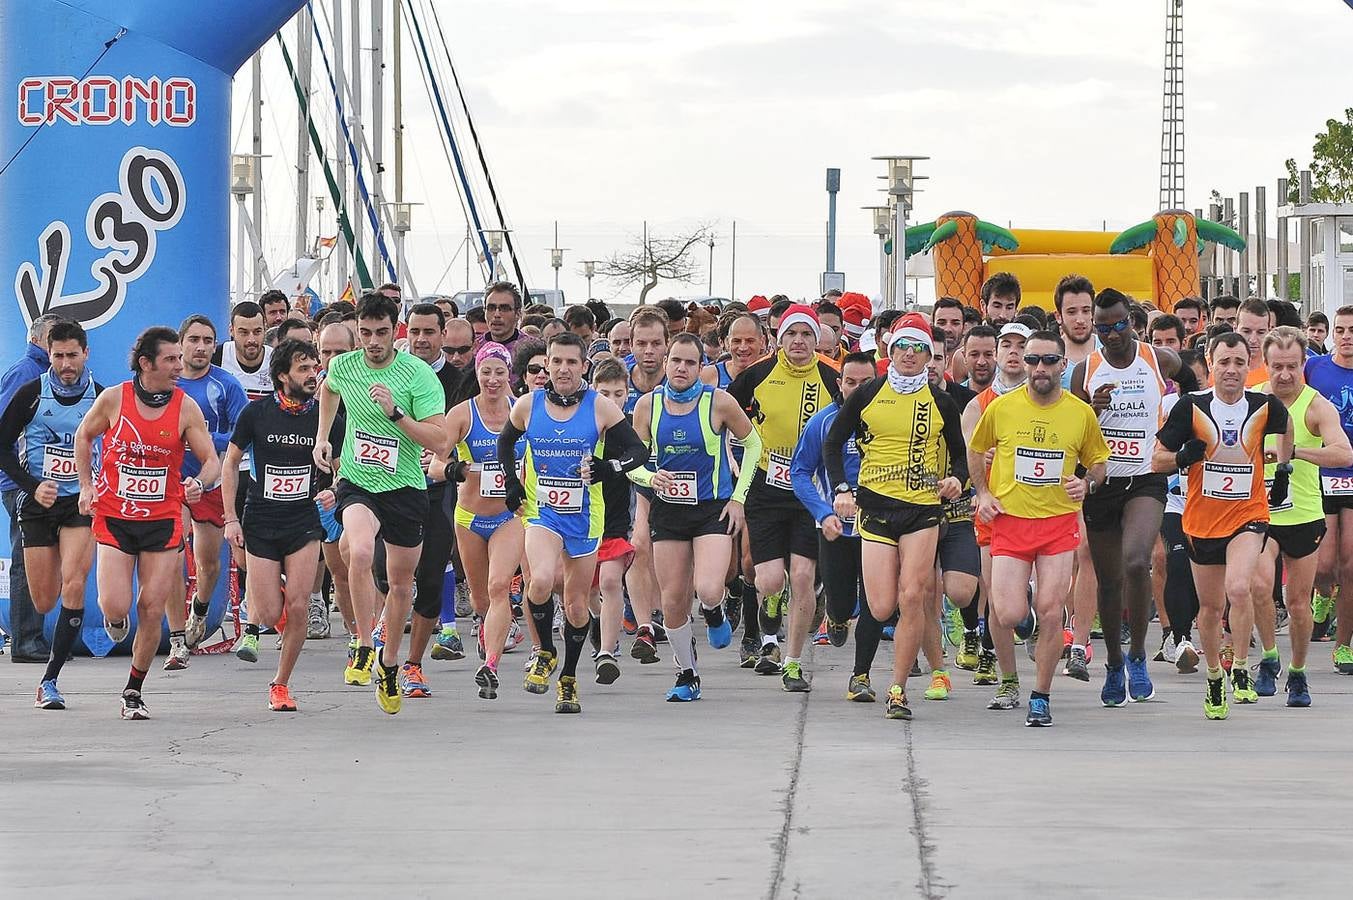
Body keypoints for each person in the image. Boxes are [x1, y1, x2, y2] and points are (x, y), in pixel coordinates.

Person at [496, 332, 652, 713]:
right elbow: (505, 442)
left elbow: (637, 452)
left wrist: (608, 466)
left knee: (578, 605)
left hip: (585, 516)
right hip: (542, 512)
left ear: (584, 367)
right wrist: (513, 483)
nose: (563, 369)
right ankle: (546, 651)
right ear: (546, 365)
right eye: (556, 361)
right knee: (540, 580)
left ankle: (568, 677)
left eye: (571, 362)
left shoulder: (601, 407)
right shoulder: (528, 405)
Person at [74, 327, 221, 719]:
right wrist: (86, 486)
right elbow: (83, 437)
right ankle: (114, 616)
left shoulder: (185, 407)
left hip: (162, 520)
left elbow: (211, 461)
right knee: (116, 603)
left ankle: (133, 691)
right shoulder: (113, 399)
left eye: (179, 358)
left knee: (152, 607)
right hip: (116, 517)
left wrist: (198, 482)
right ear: (146, 363)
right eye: (171, 359)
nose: (179, 365)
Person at [826, 315, 968, 720]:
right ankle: (882, 675)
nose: (909, 354)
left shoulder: (941, 401)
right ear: (889, 351)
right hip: (875, 510)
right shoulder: (868, 392)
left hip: (922, 510)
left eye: (919, 347)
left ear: (929, 356)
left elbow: (960, 454)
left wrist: (957, 479)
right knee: (882, 604)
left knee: (912, 597)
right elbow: (834, 442)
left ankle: (897, 689)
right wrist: (841, 489)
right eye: (902, 346)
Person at [313, 292, 449, 715]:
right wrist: (323, 436)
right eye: (366, 333)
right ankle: (361, 642)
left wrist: (395, 415)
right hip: (357, 481)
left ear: (397, 332)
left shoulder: (417, 375)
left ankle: (390, 663)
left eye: (382, 333)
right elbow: (328, 391)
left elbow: (441, 441)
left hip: (406, 486)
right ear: (358, 331)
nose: (373, 341)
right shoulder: (344, 365)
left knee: (401, 583)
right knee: (359, 548)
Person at [969, 330, 1110, 727]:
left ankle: (1040, 695)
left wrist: (1088, 483)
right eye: (1032, 361)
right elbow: (976, 449)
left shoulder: (1079, 412)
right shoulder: (1002, 407)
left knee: (1050, 613)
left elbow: (1098, 461)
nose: (1039, 368)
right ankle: (1010, 679)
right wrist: (982, 493)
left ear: (1063, 365)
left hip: (1057, 523)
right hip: (1010, 521)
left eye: (1049, 361)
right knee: (1007, 611)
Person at [1154, 332, 1292, 720]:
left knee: (1240, 587)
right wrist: (1183, 456)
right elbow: (1157, 459)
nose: (1232, 370)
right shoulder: (1190, 407)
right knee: (1212, 608)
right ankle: (1215, 676)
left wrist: (1282, 469)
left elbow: (1286, 429)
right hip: (1201, 520)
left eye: (1239, 363)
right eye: (1224, 363)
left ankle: (1242, 667)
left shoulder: (1264, 406)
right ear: (1210, 365)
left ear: (1250, 366)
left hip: (1249, 514)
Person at [632, 333, 760, 701]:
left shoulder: (719, 402)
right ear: (666, 363)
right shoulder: (647, 406)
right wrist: (648, 477)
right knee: (672, 601)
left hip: (712, 508)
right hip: (668, 510)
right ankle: (687, 673)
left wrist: (738, 498)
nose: (682, 369)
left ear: (702, 367)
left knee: (706, 586)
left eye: (691, 362)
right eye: (676, 361)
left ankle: (714, 609)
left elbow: (753, 445)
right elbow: (633, 462)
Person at [1071, 288, 1180, 706]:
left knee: (1138, 560)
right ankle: (1114, 661)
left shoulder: (1159, 359)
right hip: (1103, 482)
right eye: (1103, 329)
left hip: (1145, 478)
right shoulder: (1085, 370)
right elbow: (1077, 428)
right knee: (1110, 577)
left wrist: (1177, 439)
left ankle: (1138, 655)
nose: (1112, 335)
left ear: (1132, 322)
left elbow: (1192, 392)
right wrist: (1092, 410)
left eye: (1118, 326)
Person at [221, 339, 338, 711]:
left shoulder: (324, 415)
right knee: (272, 611)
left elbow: (342, 463)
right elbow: (230, 464)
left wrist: (334, 489)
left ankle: (281, 684)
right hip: (261, 519)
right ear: (282, 374)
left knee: (301, 606)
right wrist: (230, 519)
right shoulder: (256, 415)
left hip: (303, 521)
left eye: (314, 367)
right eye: (304, 368)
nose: (313, 375)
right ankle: (261, 619)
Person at [729, 304, 839, 689]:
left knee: (804, 576)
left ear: (817, 340)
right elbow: (724, 415)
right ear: (778, 338)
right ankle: (770, 606)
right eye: (791, 334)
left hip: (809, 490)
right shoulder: (756, 375)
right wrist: (735, 462)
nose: (798, 341)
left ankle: (792, 662)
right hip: (765, 486)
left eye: (806, 334)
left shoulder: (831, 377)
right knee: (771, 579)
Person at [0, 320, 101, 707]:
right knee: (45, 599)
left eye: (72, 355)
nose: (65, 364)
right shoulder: (31, 393)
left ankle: (50, 681)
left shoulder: (101, 396)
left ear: (85, 354)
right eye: (58, 356)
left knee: (75, 582)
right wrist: (30, 485)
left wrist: (97, 486)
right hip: (39, 503)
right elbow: (2, 447)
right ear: (48, 355)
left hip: (80, 503)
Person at [1254, 327, 1353, 706]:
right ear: (1265, 365)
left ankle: (1297, 672)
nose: (1284, 375)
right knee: (1260, 586)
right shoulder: (1254, 401)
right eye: (1277, 367)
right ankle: (1268, 656)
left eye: (1292, 367)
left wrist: (1293, 452)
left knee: (1297, 602)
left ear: (1303, 365)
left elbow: (1344, 454)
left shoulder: (1315, 406)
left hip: (1304, 513)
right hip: (1259, 513)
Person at [791, 352, 879, 699]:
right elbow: (799, 472)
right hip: (836, 527)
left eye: (866, 383)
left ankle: (861, 676)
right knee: (843, 602)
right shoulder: (824, 422)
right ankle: (836, 616)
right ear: (839, 384)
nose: (857, 389)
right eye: (850, 382)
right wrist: (823, 513)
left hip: (880, 527)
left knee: (877, 603)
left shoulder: (889, 419)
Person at [442, 342, 526, 700]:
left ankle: (490, 664)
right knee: (480, 600)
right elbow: (433, 461)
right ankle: (484, 627)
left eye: (500, 372)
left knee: (498, 587)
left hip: (510, 516)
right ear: (476, 373)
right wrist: (457, 469)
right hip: (470, 517)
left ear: (510, 375)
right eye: (486, 371)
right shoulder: (462, 414)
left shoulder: (521, 411)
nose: (492, 380)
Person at [174, 314, 249, 663]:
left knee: (208, 564)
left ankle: (199, 609)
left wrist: (201, 438)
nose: (201, 347)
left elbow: (244, 433)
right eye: (194, 340)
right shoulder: (166, 382)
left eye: (208, 341)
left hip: (212, 481)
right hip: (171, 482)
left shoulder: (226, 384)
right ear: (181, 343)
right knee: (172, 550)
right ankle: (176, 634)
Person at [1, 312, 63, 662]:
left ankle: (31, 638)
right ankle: (26, 640)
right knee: (27, 560)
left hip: (31, 482)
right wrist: (17, 480)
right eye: (55, 339)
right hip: (21, 483)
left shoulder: (41, 374)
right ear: (39, 339)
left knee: (38, 558)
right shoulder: (26, 374)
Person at [1305, 305, 1353, 670]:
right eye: (1340, 330)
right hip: (1321, 472)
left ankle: (1343, 645)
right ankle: (1322, 597)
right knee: (1324, 565)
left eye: (1352, 330)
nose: (1347, 336)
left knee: (1350, 564)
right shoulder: (1314, 368)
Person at [1053, 275, 1097, 381]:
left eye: (1086, 311)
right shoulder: (1048, 356)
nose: (1080, 320)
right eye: (1072, 312)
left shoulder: (1110, 350)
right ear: (1058, 316)